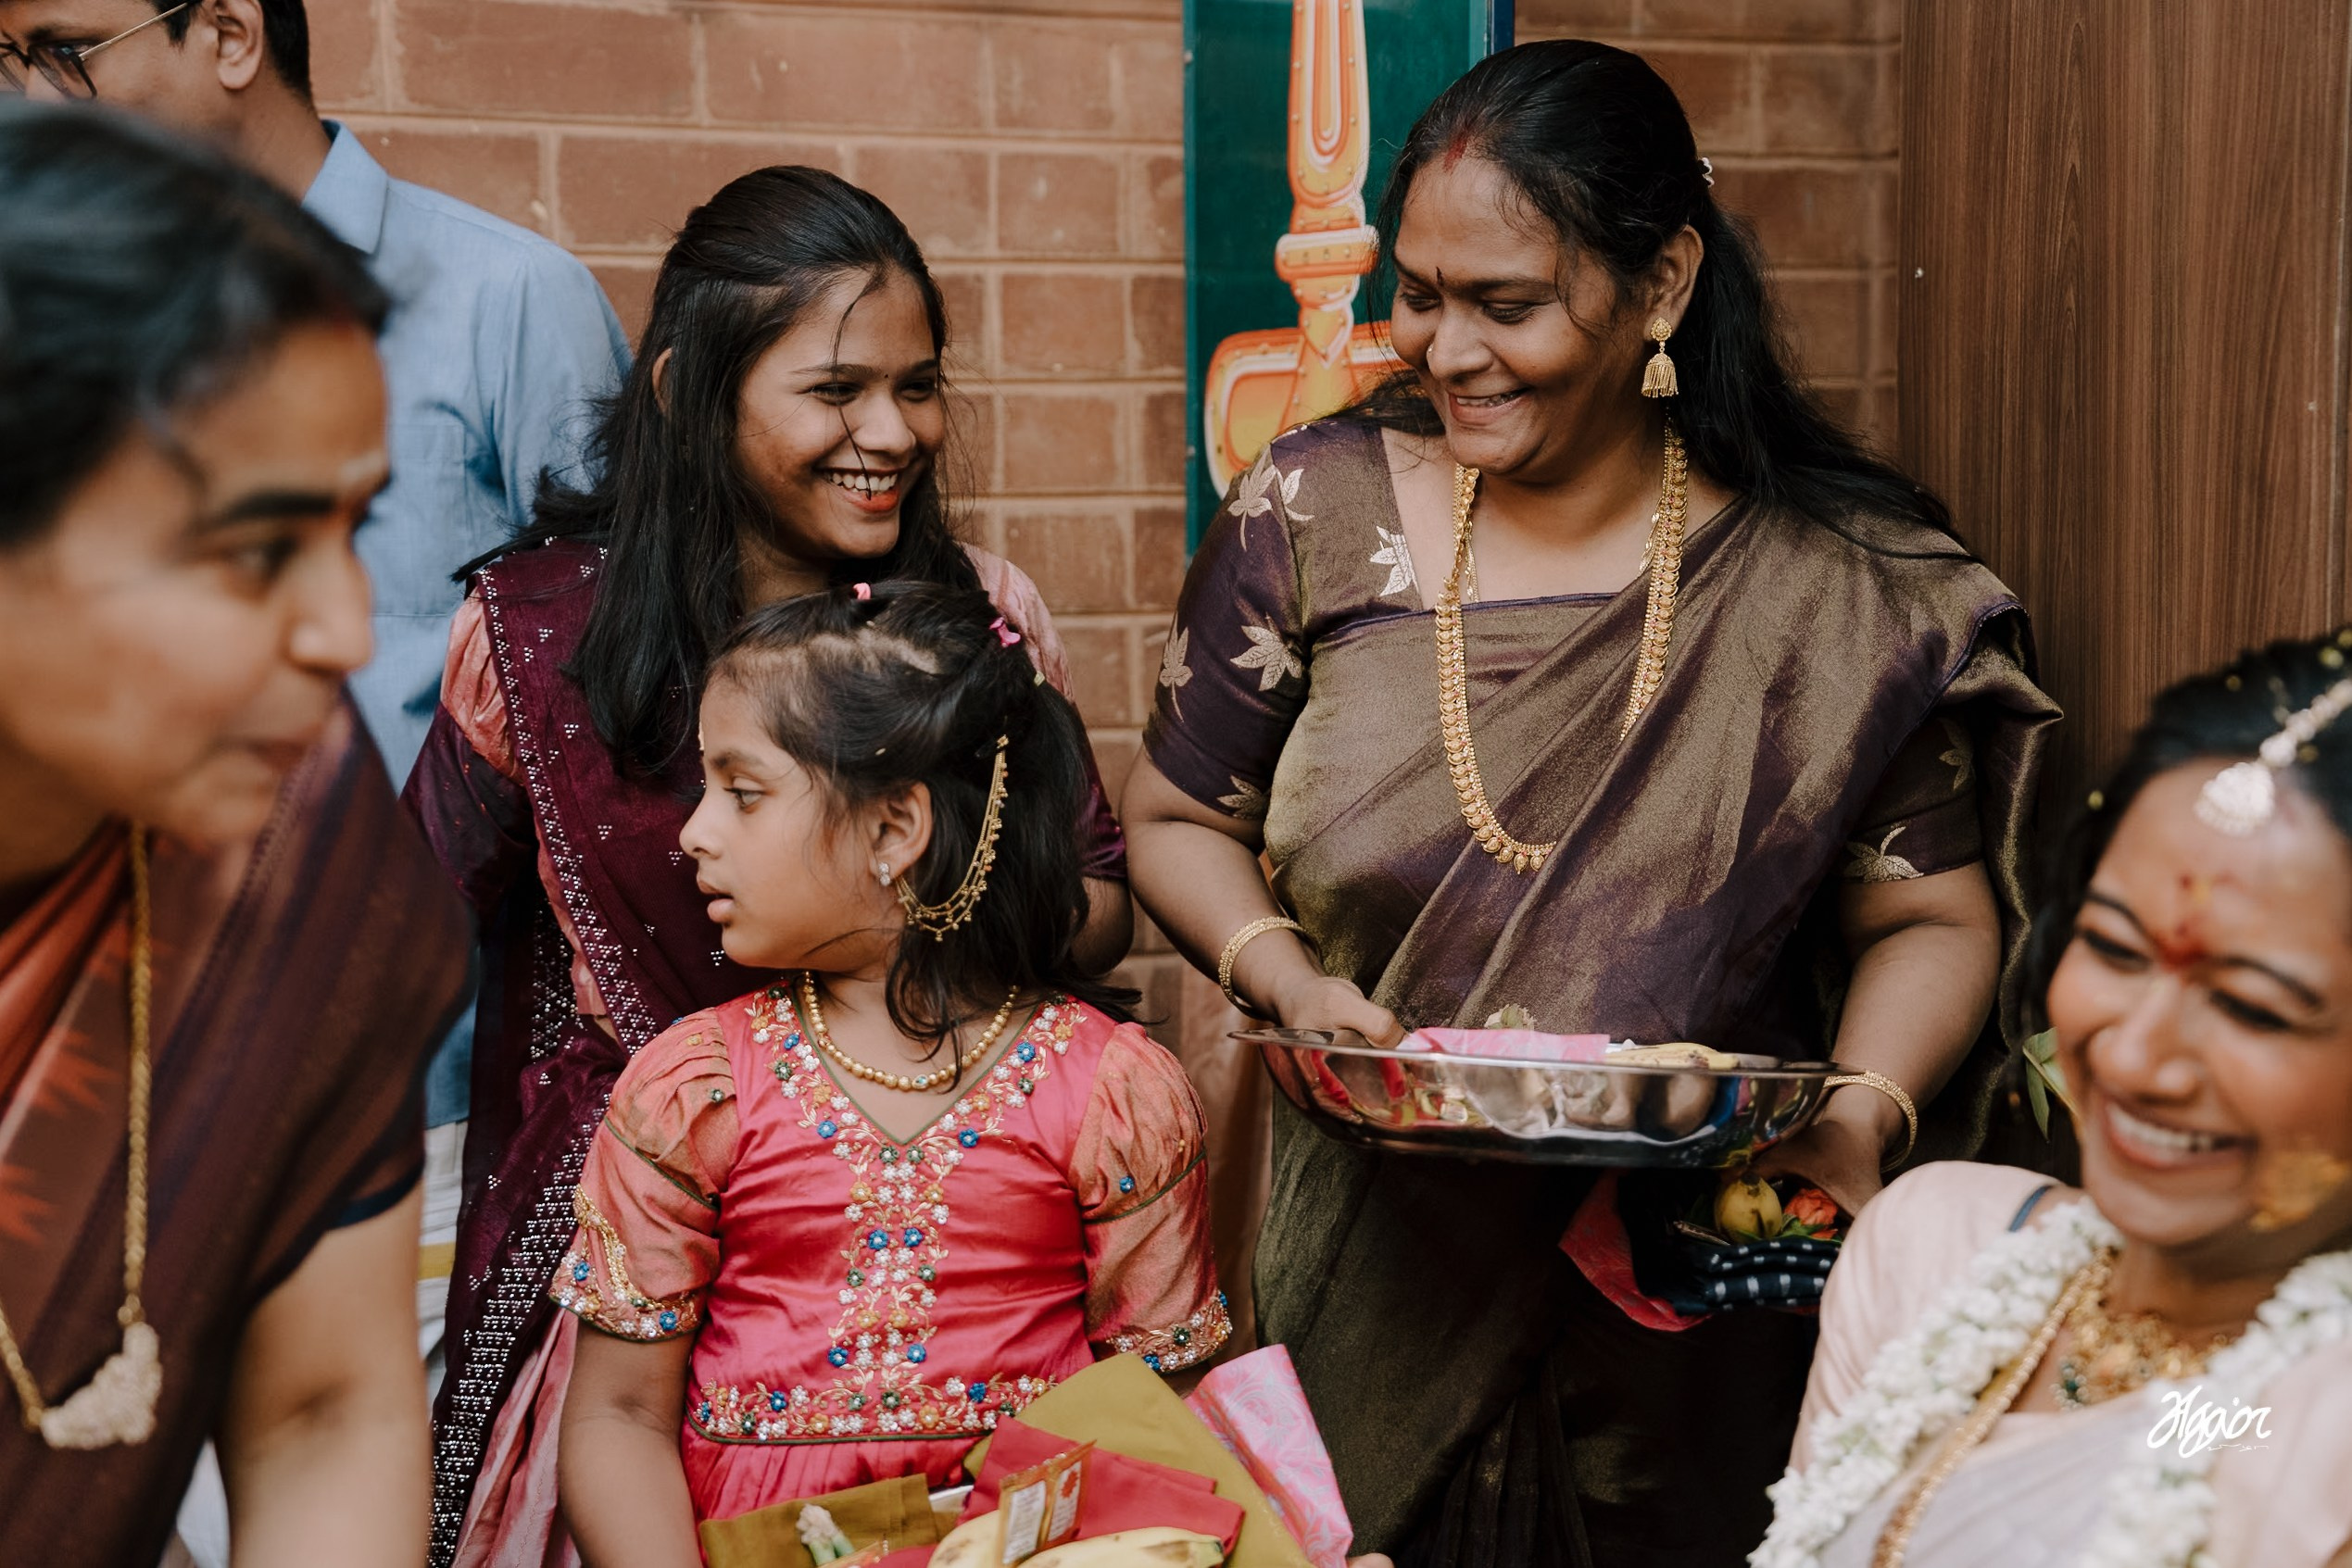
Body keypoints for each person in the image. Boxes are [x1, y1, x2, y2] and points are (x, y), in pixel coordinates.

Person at [1122, 40, 2060, 1565]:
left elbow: (1930, 915)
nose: (1443, 348)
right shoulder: (1313, 512)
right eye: (1418, 293)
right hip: (1364, 1285)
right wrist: (1290, 983)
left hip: (1685, 1325)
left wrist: (1852, 1122)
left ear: (1661, 282)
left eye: (1507, 303)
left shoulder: (1828, 585)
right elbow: (1170, 815)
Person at [405, 165, 1133, 1565]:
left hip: (958, 1223)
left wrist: (915, 912)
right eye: (836, 390)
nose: (891, 432)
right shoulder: (538, 635)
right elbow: (402, 924)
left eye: (917, 388)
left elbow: (1092, 895)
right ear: (689, 390)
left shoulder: (974, 623)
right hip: (636, 1262)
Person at [0, 0, 633, 1408]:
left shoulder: (504, 307)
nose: (30, 100)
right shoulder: (52, 328)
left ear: (226, 29)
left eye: (59, 52)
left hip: (422, 1102)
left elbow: (617, 746)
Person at [0, 104, 470, 1565]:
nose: (343, 630)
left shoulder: (301, 846)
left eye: (352, 531)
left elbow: (325, 1413)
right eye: (256, 550)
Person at [553, 583, 1222, 1559]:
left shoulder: (1111, 1093)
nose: (694, 830)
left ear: (892, 831)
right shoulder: (698, 1086)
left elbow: (1170, 1405)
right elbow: (618, 1414)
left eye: (741, 791)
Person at [1760, 630, 2352, 1568]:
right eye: (2115, 950)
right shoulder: (1933, 1252)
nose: (2137, 1055)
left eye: (2251, 1004)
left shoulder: (2328, 1419)